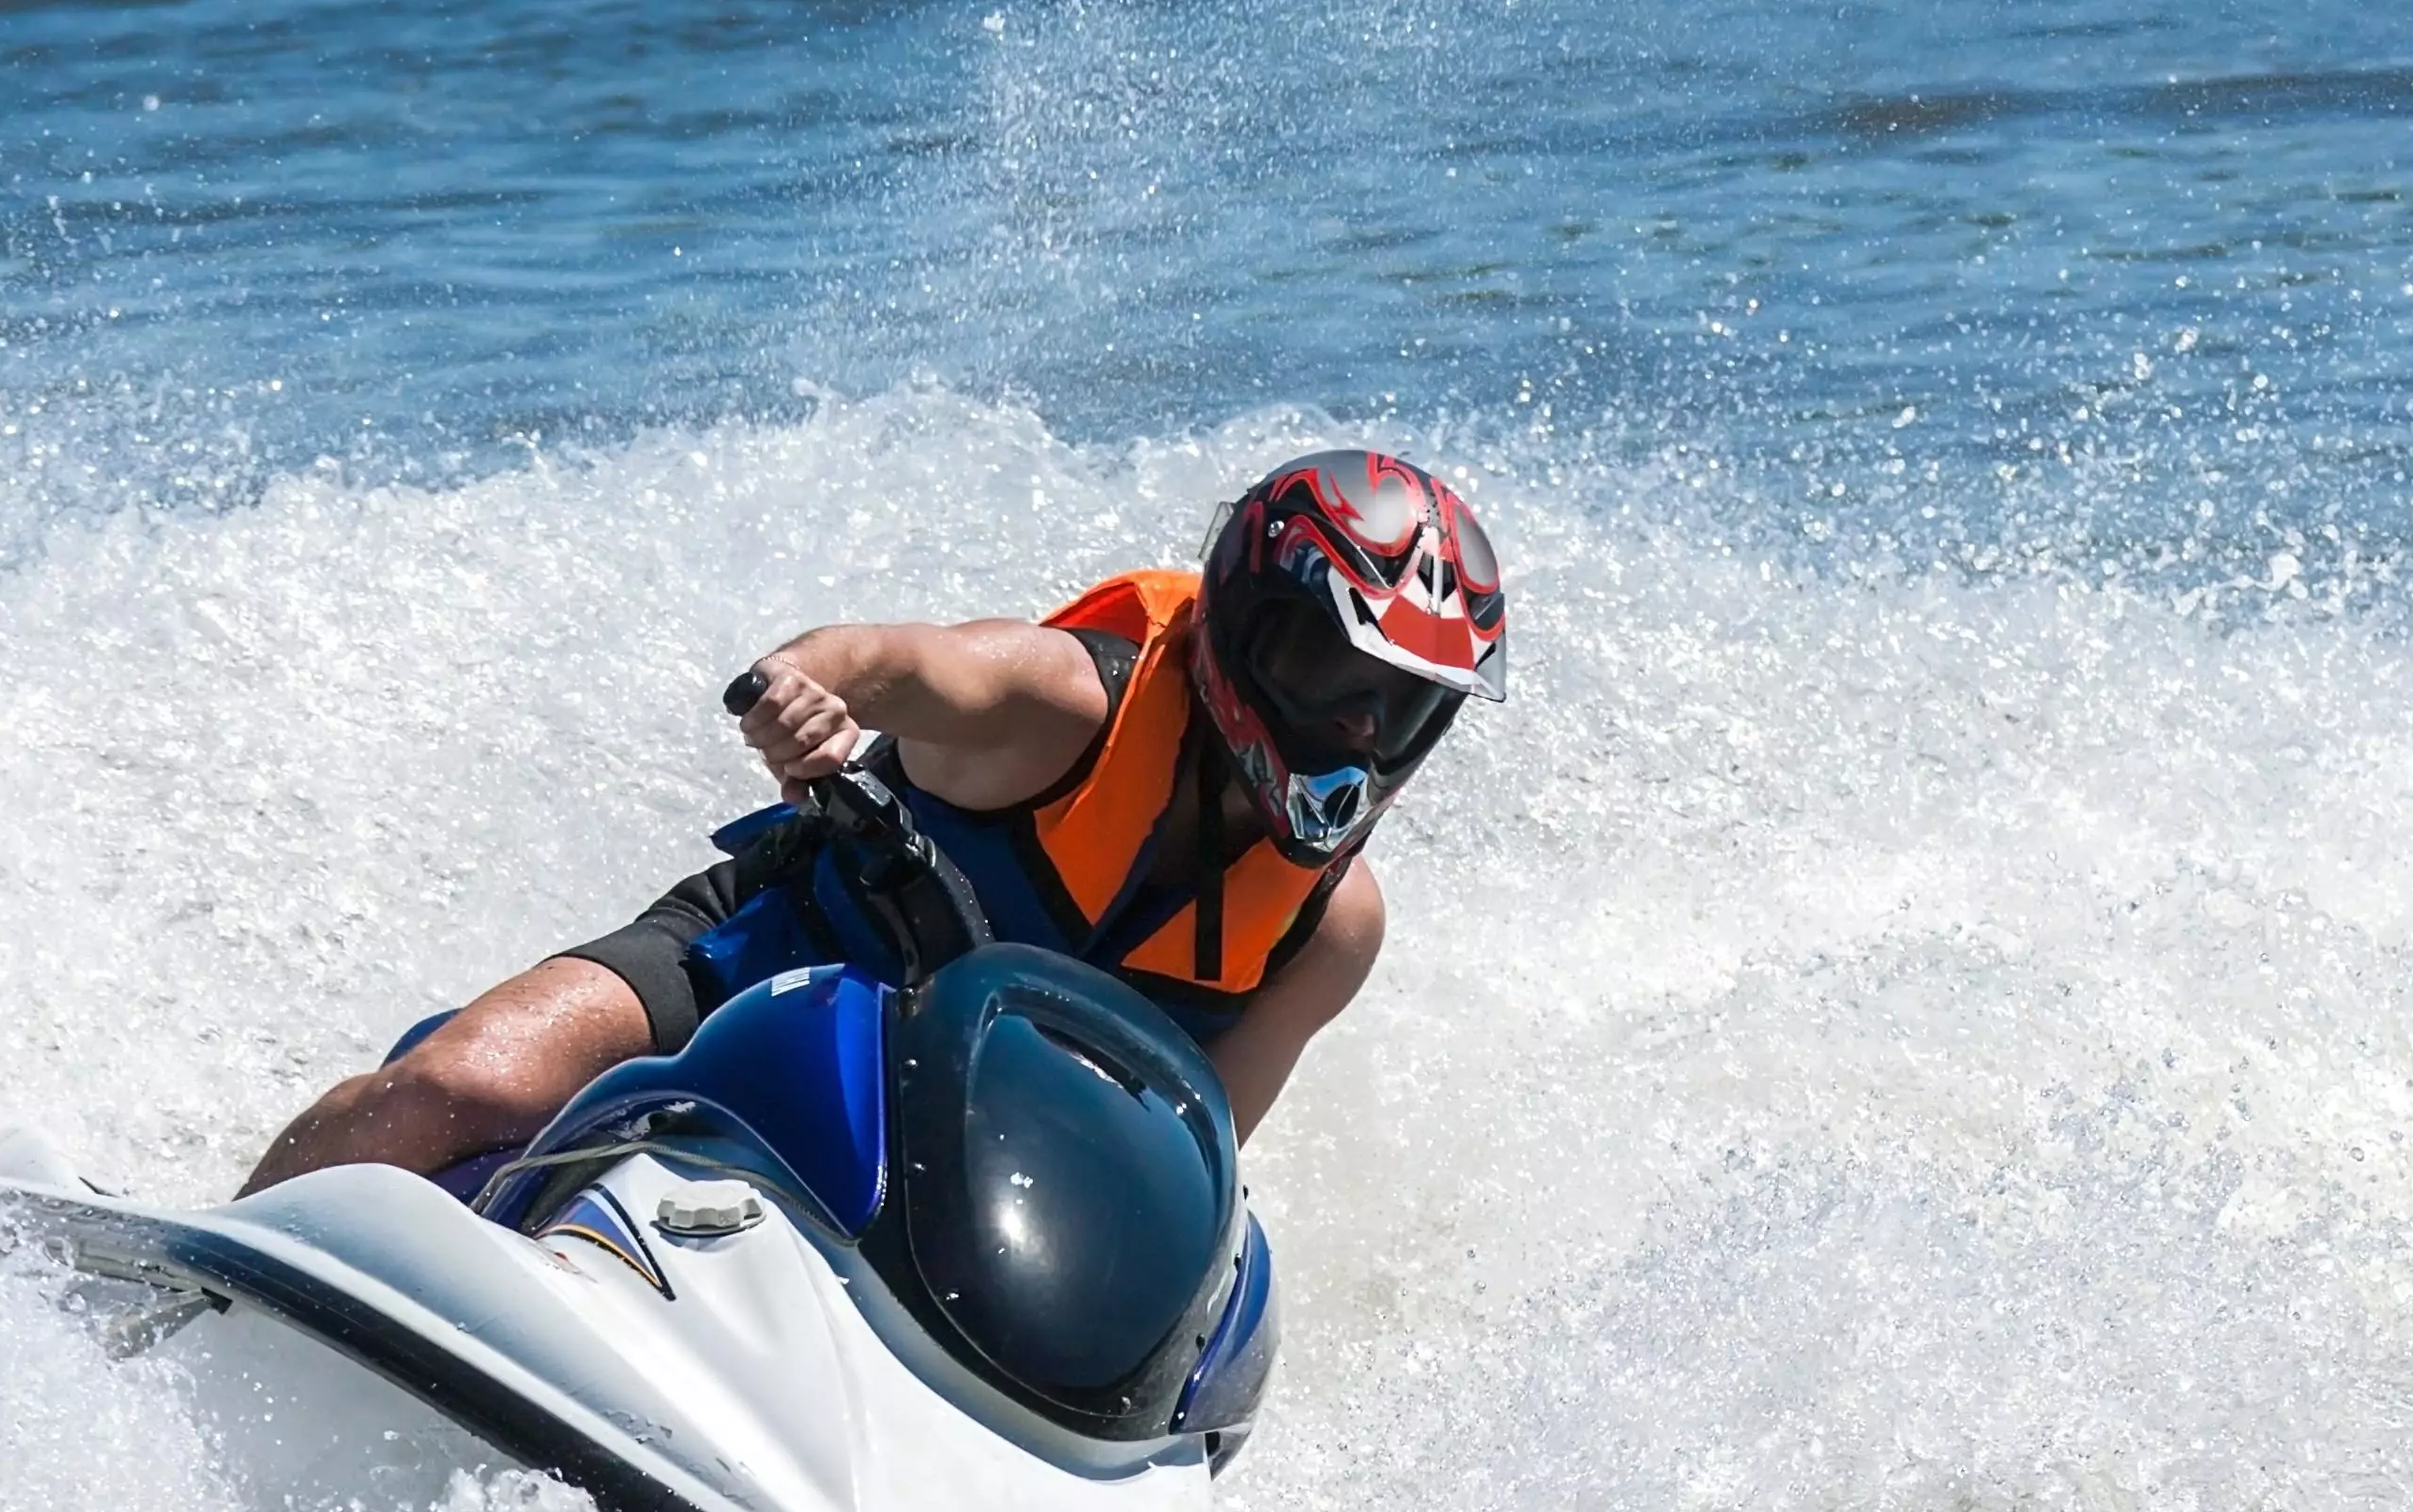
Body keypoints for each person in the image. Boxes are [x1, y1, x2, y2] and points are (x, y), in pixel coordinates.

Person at [240, 447, 1508, 1194]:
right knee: (462, 1087)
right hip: (754, 974)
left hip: (967, 1155)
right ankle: (207, 1265)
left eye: (1401, 710)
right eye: (1335, 682)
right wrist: (807, 689)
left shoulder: (1329, 929)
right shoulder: (1060, 703)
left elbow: (1190, 1158)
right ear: (1244, 626)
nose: (1356, 735)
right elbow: (889, 661)